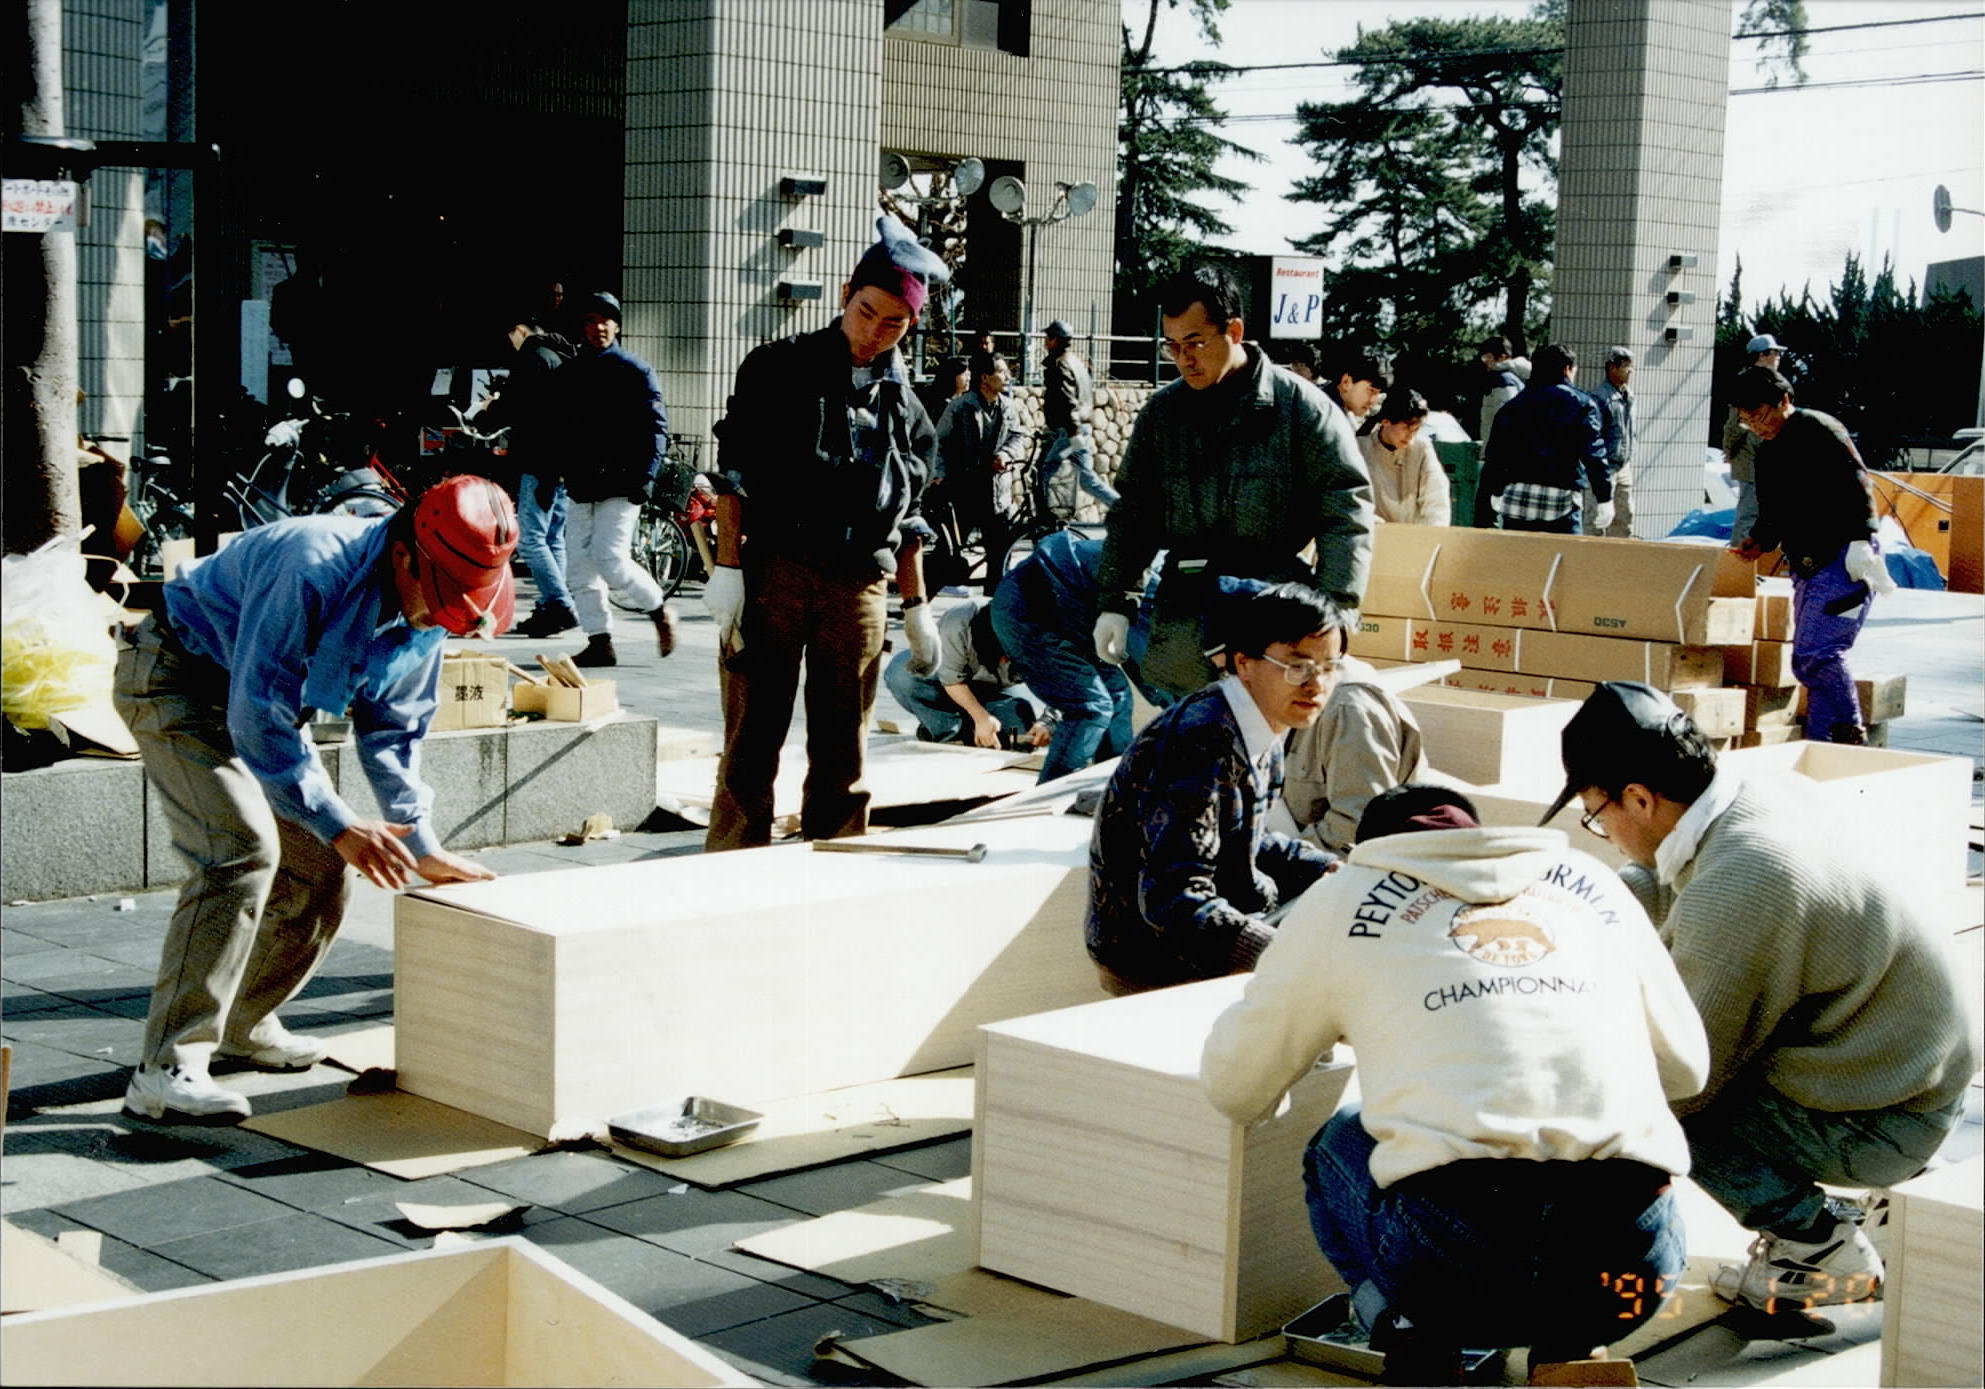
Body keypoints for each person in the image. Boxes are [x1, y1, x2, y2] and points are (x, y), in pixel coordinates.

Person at [1203, 783, 1708, 1380]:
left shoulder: (1340, 900)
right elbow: (1686, 1069)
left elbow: (1237, 1089)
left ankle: (1414, 1336)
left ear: (1373, 848)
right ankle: (1574, 1350)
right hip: (1632, 1273)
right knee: (1596, 1210)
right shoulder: (1596, 884)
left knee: (1338, 1143)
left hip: (1454, 1272)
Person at [1544, 682, 1977, 1314]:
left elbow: (1686, 1081)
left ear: (1638, 797)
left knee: (1649, 1108)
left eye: (1595, 813)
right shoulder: (1756, 794)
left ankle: (1818, 1244)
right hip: (1909, 1071)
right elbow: (1658, 882)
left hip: (1889, 1118)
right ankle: (1884, 1209)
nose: (1602, 832)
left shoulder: (1747, 879)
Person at [114, 478, 514, 1122]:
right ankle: (166, 1067)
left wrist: (421, 845)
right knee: (237, 854)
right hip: (175, 679)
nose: (430, 619)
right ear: (406, 554)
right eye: (434, 599)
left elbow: (393, 731)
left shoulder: (431, 608)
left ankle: (243, 1024)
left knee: (323, 866)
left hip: (259, 707)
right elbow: (258, 718)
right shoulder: (312, 564)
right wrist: (339, 821)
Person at [700, 215, 945, 851]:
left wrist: (915, 607)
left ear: (910, 326)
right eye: (867, 313)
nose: (875, 333)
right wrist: (727, 570)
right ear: (845, 295)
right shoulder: (777, 369)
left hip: (859, 583)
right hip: (777, 570)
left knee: (844, 748)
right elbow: (734, 475)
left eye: (893, 323)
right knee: (751, 739)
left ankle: (833, 872)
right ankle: (726, 873)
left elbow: (910, 513)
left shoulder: (910, 411)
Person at [1093, 264, 1373, 703]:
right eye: (1172, 346)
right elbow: (1134, 514)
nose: (1184, 359)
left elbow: (1346, 511)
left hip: (1271, 608)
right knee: (1191, 747)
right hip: (1186, 613)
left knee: (1270, 745)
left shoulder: (1301, 410)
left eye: (1195, 343)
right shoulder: (1162, 417)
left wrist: (1336, 612)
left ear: (1235, 331)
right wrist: (1115, 600)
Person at [1086, 583, 1342, 995]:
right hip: (1155, 958)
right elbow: (1173, 899)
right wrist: (1280, 955)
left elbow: (1236, 836)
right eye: (1298, 666)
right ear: (1244, 663)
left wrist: (1320, 867)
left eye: (1329, 667)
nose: (1317, 685)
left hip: (1202, 929)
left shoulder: (1261, 721)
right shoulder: (1201, 742)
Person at [1726, 365, 1888, 744]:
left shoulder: (1820, 428)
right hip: (1808, 565)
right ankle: (1821, 741)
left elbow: (1858, 481)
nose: (1757, 426)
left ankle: (1849, 727)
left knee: (1818, 653)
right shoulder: (1766, 455)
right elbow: (1773, 513)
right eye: (1747, 421)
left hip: (1847, 557)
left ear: (1784, 401)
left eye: (1761, 416)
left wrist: (1864, 537)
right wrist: (1758, 541)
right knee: (1809, 661)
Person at [555, 291, 674, 667]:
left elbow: (657, 427)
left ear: (617, 325)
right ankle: (600, 641)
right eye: (591, 320)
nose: (598, 327)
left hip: (623, 483)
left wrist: (647, 477)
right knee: (579, 567)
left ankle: (659, 611)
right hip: (580, 482)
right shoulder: (571, 372)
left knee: (608, 556)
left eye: (606, 320)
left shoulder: (635, 370)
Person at [991, 530, 1134, 783]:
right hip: (1027, 613)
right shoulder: (1156, 581)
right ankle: (1048, 794)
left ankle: (1113, 783)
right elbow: (1160, 674)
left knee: (1117, 694)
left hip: (1073, 617)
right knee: (1090, 708)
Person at [1280, 657, 1437, 855]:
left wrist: (1280, 861)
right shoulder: (1263, 679)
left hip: (1340, 871)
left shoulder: (1349, 708)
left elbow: (1356, 828)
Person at [486, 310, 578, 638]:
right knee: (553, 539)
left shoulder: (533, 358)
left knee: (530, 539)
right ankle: (549, 607)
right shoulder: (559, 356)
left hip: (540, 461)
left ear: (520, 330)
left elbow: (514, 405)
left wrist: (489, 410)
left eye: (510, 337)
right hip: (564, 463)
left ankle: (559, 603)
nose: (510, 345)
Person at [1475, 343, 1613, 535]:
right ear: (1567, 369)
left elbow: (1496, 458)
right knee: (1563, 561)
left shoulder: (1512, 407)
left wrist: (1491, 496)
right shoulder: (1581, 404)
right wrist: (1604, 497)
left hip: (1516, 499)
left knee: (1521, 562)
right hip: (1561, 500)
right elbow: (1594, 455)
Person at [882, 596, 1047, 749]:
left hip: (994, 690)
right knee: (903, 676)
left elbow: (1064, 686)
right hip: (944, 679)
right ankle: (949, 732)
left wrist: (1048, 722)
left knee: (1019, 735)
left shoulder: (1041, 636)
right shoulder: (959, 621)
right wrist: (981, 717)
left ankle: (965, 726)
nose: (1004, 661)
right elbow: (952, 681)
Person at [934, 351, 1028, 559]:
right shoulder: (959, 407)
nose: (1008, 377)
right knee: (949, 551)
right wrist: (939, 473)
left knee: (1001, 552)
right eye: (1002, 372)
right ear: (984, 378)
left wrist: (1005, 454)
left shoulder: (1008, 407)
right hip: (964, 487)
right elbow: (938, 442)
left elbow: (1017, 437)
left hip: (997, 491)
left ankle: (995, 590)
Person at [1037, 320, 1119, 512]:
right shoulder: (1076, 362)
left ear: (1055, 340)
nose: (1045, 342)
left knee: (1047, 469)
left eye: (1047, 338)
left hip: (1070, 433)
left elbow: (1068, 400)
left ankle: (1046, 516)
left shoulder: (1060, 364)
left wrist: (1073, 434)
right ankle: (1123, 509)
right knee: (1085, 478)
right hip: (1078, 430)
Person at [1722, 334, 1784, 545]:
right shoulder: (1748, 382)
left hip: (1768, 457)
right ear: (1762, 355)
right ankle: (1740, 568)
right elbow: (1735, 425)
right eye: (1775, 352)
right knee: (1749, 514)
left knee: (1760, 515)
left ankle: (1751, 569)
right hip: (1752, 458)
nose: (1778, 356)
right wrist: (1729, 451)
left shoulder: (1771, 381)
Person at [1357, 388, 1450, 527]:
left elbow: (1436, 501)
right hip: (1373, 534)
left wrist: (1431, 537)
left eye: (1416, 430)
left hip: (1413, 537)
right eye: (1406, 428)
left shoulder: (1422, 449)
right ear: (1386, 422)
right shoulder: (1360, 449)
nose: (1410, 437)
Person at [1588, 346, 1636, 538]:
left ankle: (1621, 560)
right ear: (1612, 368)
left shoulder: (1628, 395)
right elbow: (1594, 435)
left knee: (1625, 516)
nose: (1630, 371)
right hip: (1604, 466)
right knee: (1598, 518)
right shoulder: (1600, 397)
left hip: (1624, 465)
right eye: (1626, 366)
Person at [1476, 334, 1529, 452]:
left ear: (1502, 357)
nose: (1485, 362)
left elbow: (1505, 419)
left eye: (1488, 357)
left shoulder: (1503, 380)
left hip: (1501, 452)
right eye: (1483, 357)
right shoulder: (1515, 378)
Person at [1323, 344, 1391, 423]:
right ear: (1346, 382)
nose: (1372, 401)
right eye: (1371, 391)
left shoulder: (1334, 413)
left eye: (1377, 394)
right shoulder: (1326, 415)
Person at [915, 355, 971, 424]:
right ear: (952, 376)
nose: (968, 378)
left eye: (968, 374)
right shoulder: (941, 406)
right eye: (964, 374)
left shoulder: (967, 401)